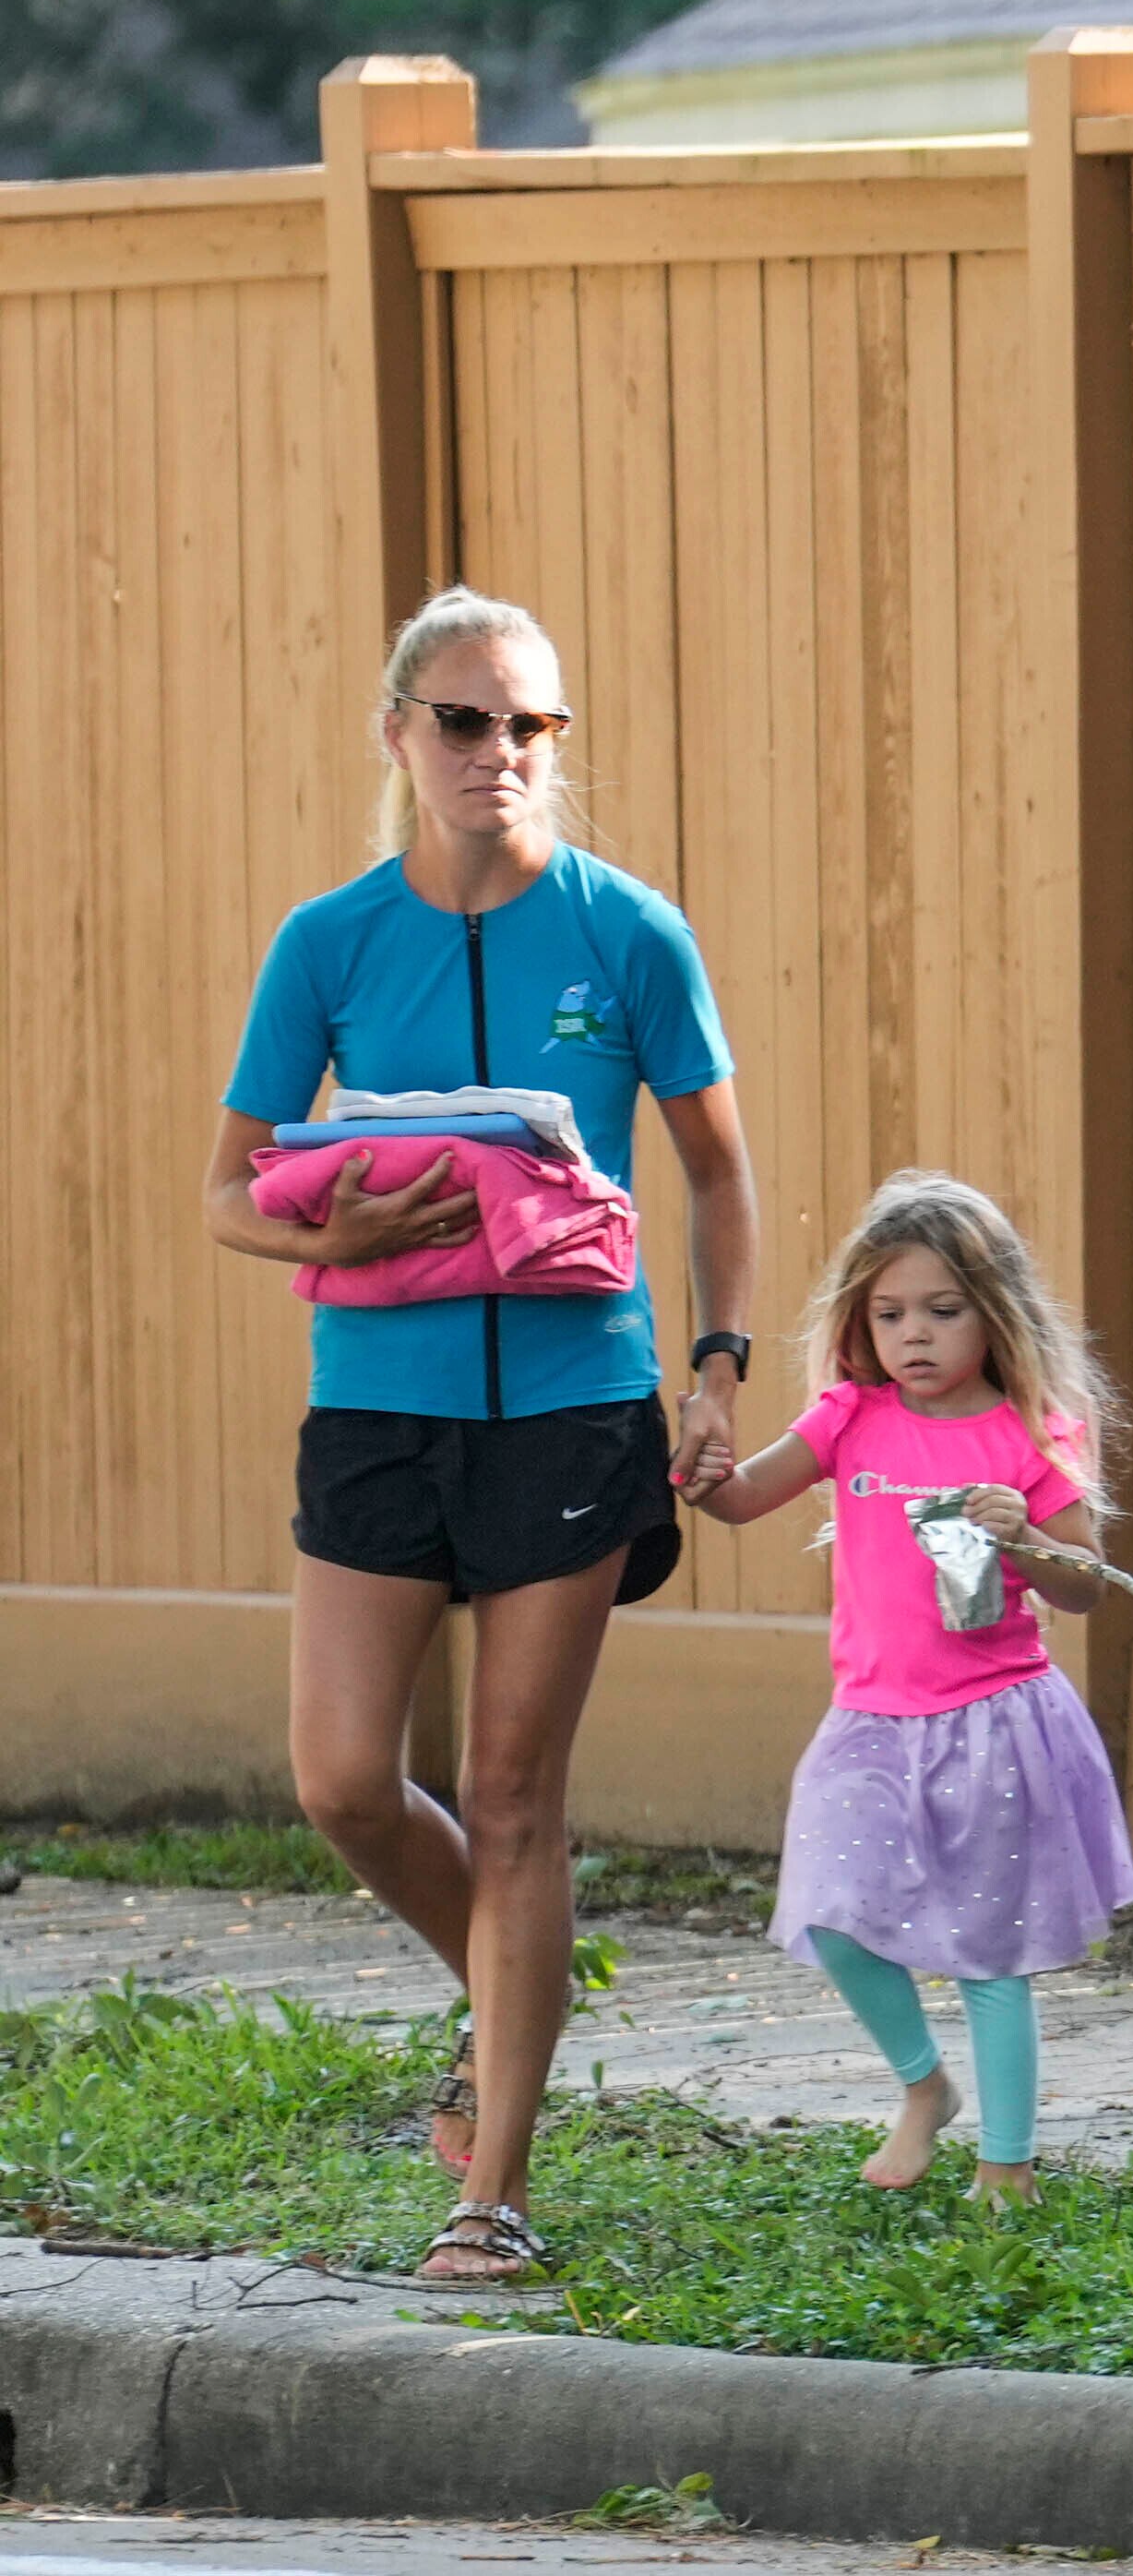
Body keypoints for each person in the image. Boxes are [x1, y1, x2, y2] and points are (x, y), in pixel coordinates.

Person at [206, 585, 759, 2283]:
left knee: (515, 1793)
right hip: (379, 1402)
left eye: (529, 725)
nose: (498, 752)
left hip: (577, 1410)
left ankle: (492, 2189)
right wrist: (330, 1239)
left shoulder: (628, 932)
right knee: (348, 1778)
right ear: (400, 736)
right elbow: (229, 1191)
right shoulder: (328, 941)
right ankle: (513, 1980)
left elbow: (718, 1172)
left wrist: (721, 1363)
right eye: (463, 719)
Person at [693, 1170, 1133, 2205]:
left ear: (999, 1312)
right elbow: (741, 1497)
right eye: (890, 1314)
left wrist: (1024, 1536)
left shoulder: (1033, 1430)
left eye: (944, 1311)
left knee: (990, 1951)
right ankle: (922, 2085)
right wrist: (696, 1456)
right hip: (869, 1721)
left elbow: (1084, 1589)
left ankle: (1008, 2164)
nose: (916, 1335)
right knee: (833, 1916)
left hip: (995, 1723)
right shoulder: (851, 1413)